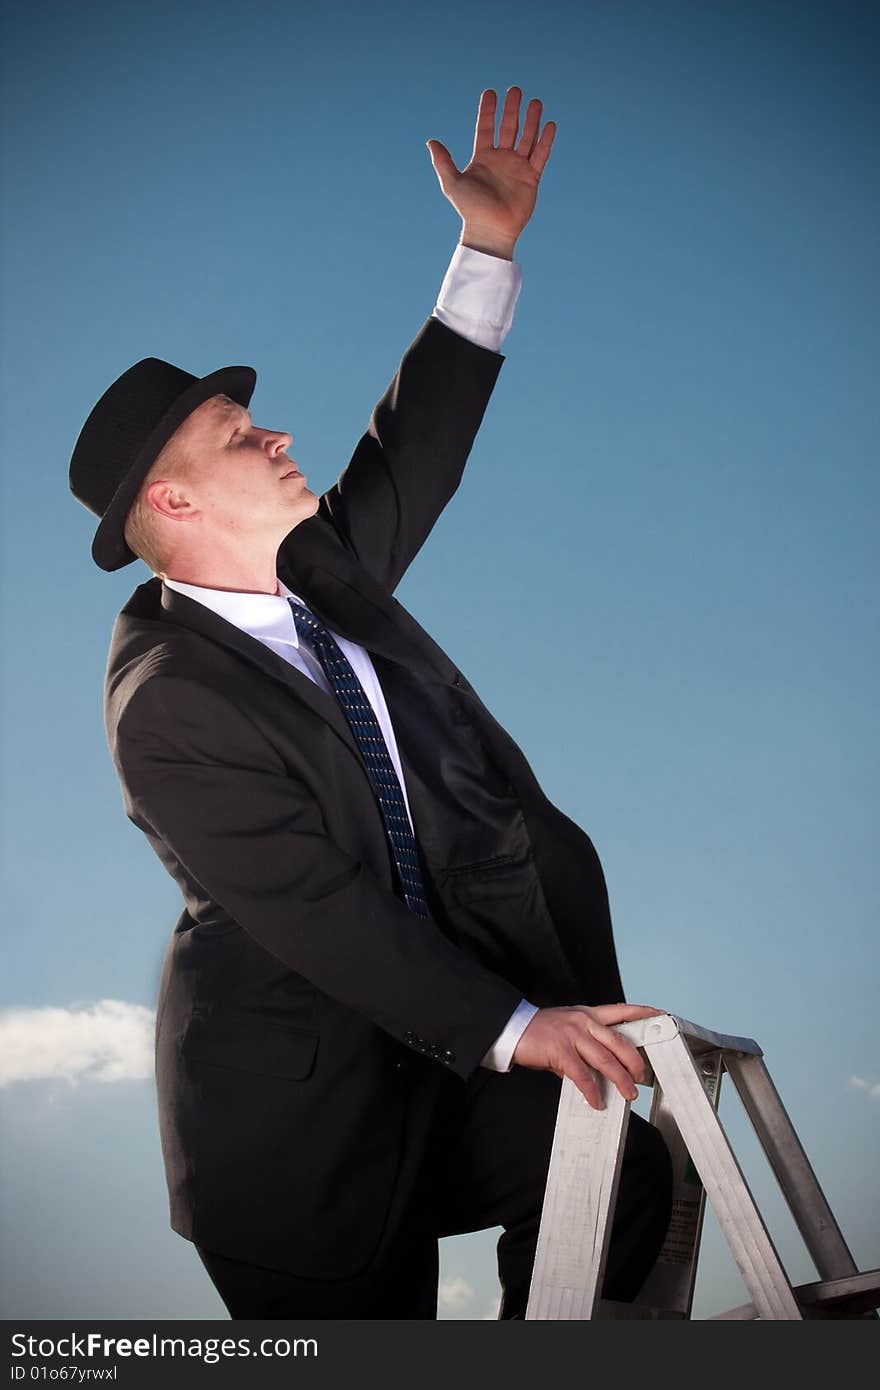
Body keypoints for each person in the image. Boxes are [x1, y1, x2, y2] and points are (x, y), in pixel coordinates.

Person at [69, 86, 673, 1319]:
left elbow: (416, 448)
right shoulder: (165, 705)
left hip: (441, 1059)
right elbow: (325, 916)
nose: (278, 432)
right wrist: (518, 1025)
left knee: (612, 1166)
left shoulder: (326, 578)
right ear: (172, 507)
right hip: (300, 1131)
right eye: (242, 433)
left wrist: (487, 244)